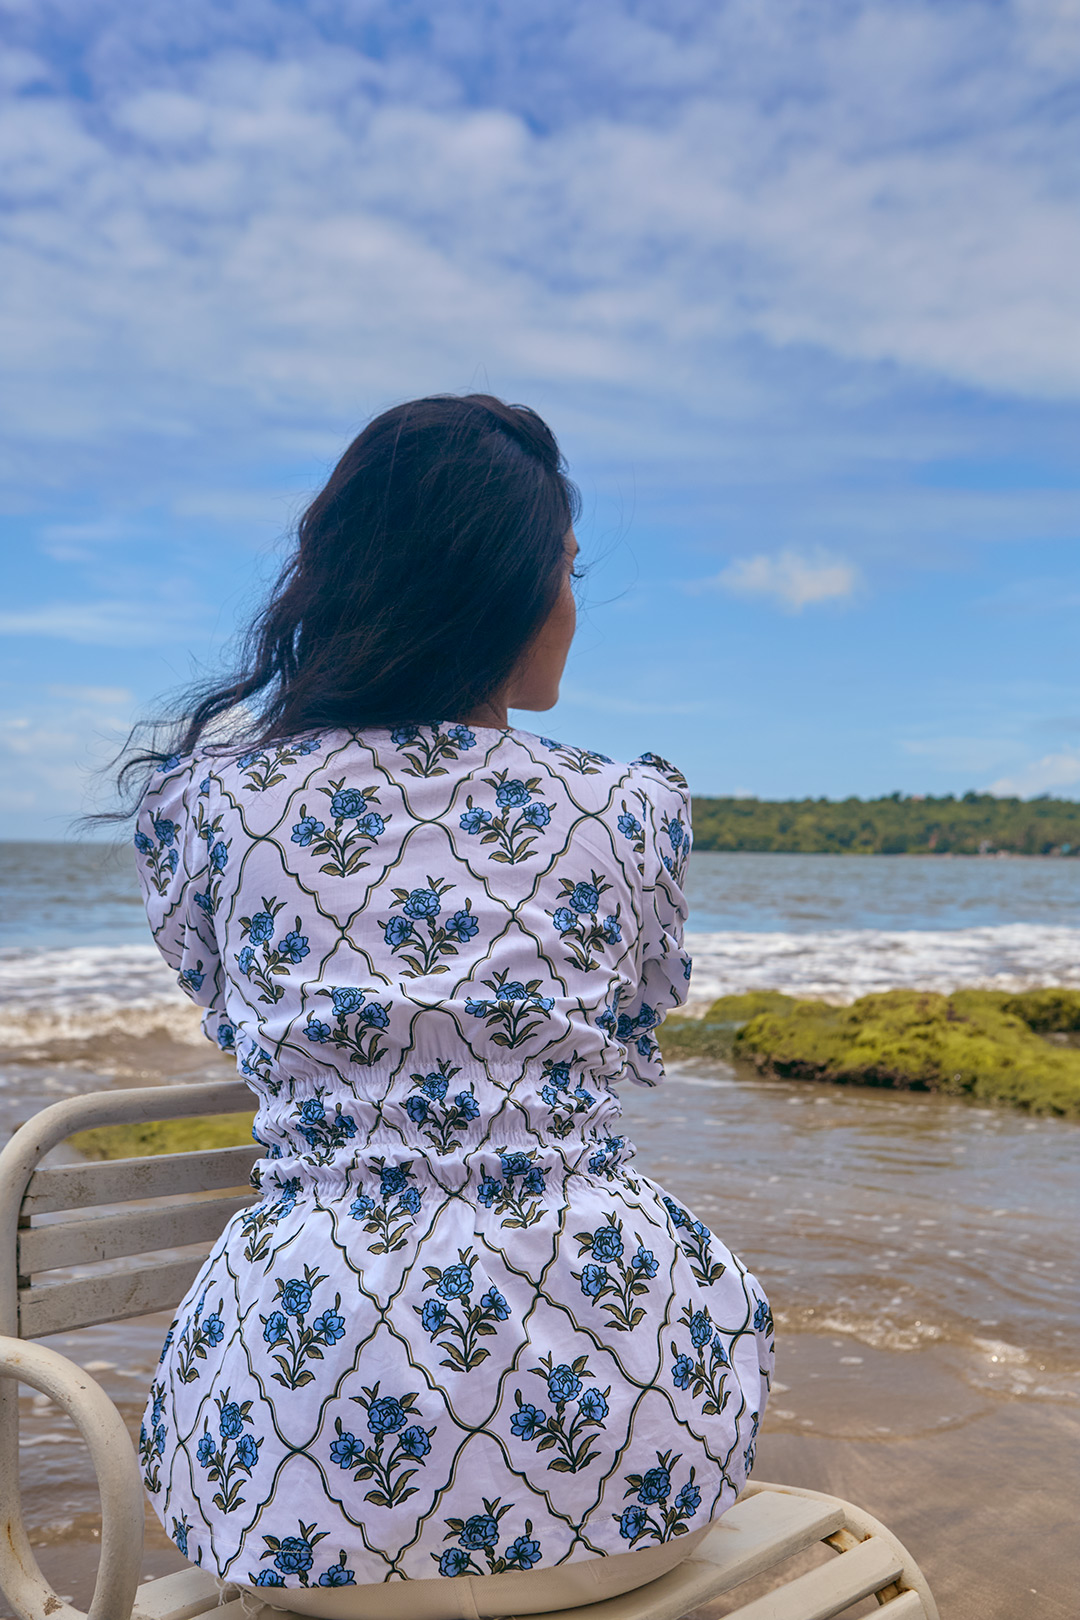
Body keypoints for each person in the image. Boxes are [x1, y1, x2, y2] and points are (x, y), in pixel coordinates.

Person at [129, 394, 774, 1620]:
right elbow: (634, 1028)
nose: (571, 606)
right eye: (563, 571)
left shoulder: (208, 806)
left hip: (303, 1509)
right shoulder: (629, 809)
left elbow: (234, 1013)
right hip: (639, 1477)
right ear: (497, 585)